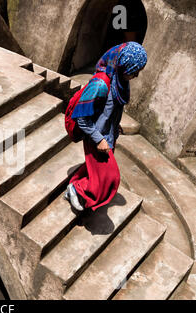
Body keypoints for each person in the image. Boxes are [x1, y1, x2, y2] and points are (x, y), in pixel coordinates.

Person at [65, 42, 148, 212]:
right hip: (96, 137)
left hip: (109, 135)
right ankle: (77, 190)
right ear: (124, 66)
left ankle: (75, 187)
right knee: (111, 177)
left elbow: (112, 109)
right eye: (134, 71)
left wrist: (115, 128)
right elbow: (81, 117)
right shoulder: (100, 84)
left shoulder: (120, 82)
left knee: (96, 171)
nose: (137, 76)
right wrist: (99, 139)